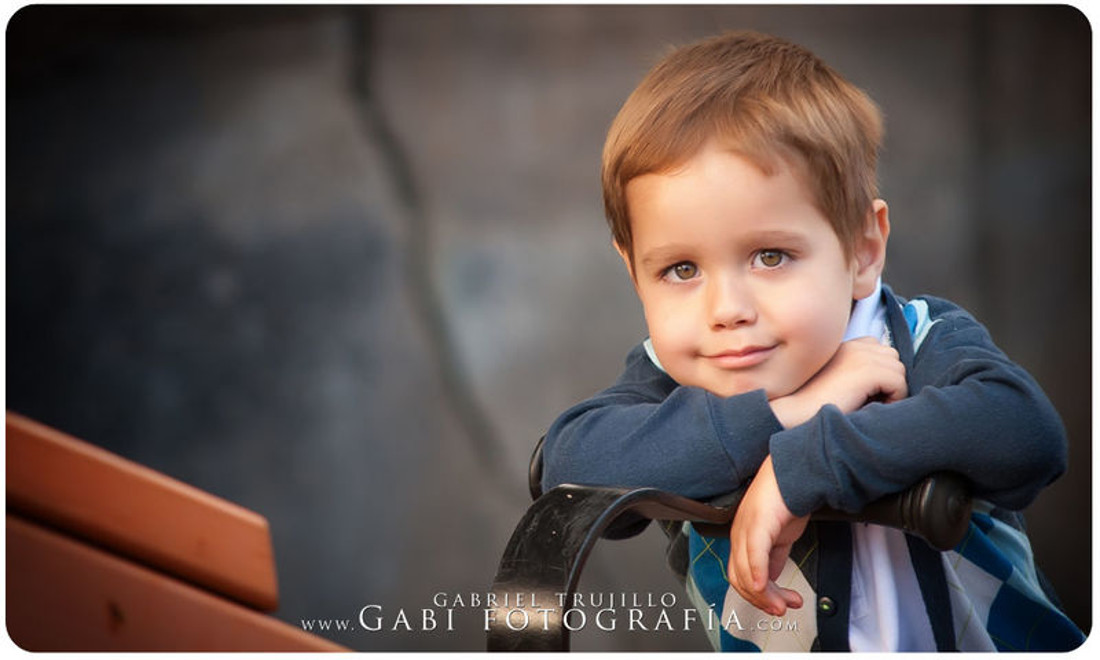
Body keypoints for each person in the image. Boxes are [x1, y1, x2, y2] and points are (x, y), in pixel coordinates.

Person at [540, 31, 1084, 651]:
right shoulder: (672, 374)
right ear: (634, 271)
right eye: (681, 269)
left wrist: (805, 464)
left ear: (862, 249)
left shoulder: (913, 342)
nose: (727, 311)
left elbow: (1026, 434)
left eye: (770, 256)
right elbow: (568, 468)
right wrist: (792, 412)